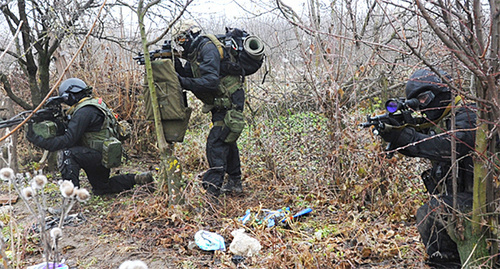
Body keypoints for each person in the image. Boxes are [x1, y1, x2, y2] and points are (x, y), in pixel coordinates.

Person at [377, 69, 476, 267]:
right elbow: (425, 145)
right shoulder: (438, 121)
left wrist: (407, 139)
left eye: (423, 99)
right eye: (417, 101)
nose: (421, 106)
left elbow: (450, 146)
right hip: (466, 199)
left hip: (488, 199)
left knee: (431, 213)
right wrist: (397, 133)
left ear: (441, 92)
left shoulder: (469, 113)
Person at [26, 78, 153, 195]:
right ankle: (138, 178)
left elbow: (68, 140)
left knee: (67, 153)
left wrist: (37, 140)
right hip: (102, 155)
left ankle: (71, 201)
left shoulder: (84, 111)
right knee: (102, 188)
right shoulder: (92, 105)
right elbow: (73, 130)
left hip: (97, 156)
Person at [172, 20, 244, 197]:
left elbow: (210, 82)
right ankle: (235, 182)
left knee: (216, 143)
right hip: (220, 103)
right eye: (178, 42)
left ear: (190, 35)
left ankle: (213, 193)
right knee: (227, 140)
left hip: (230, 103)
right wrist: (172, 63)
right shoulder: (196, 52)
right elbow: (190, 74)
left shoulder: (207, 48)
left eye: (181, 40)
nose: (181, 45)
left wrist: (183, 82)